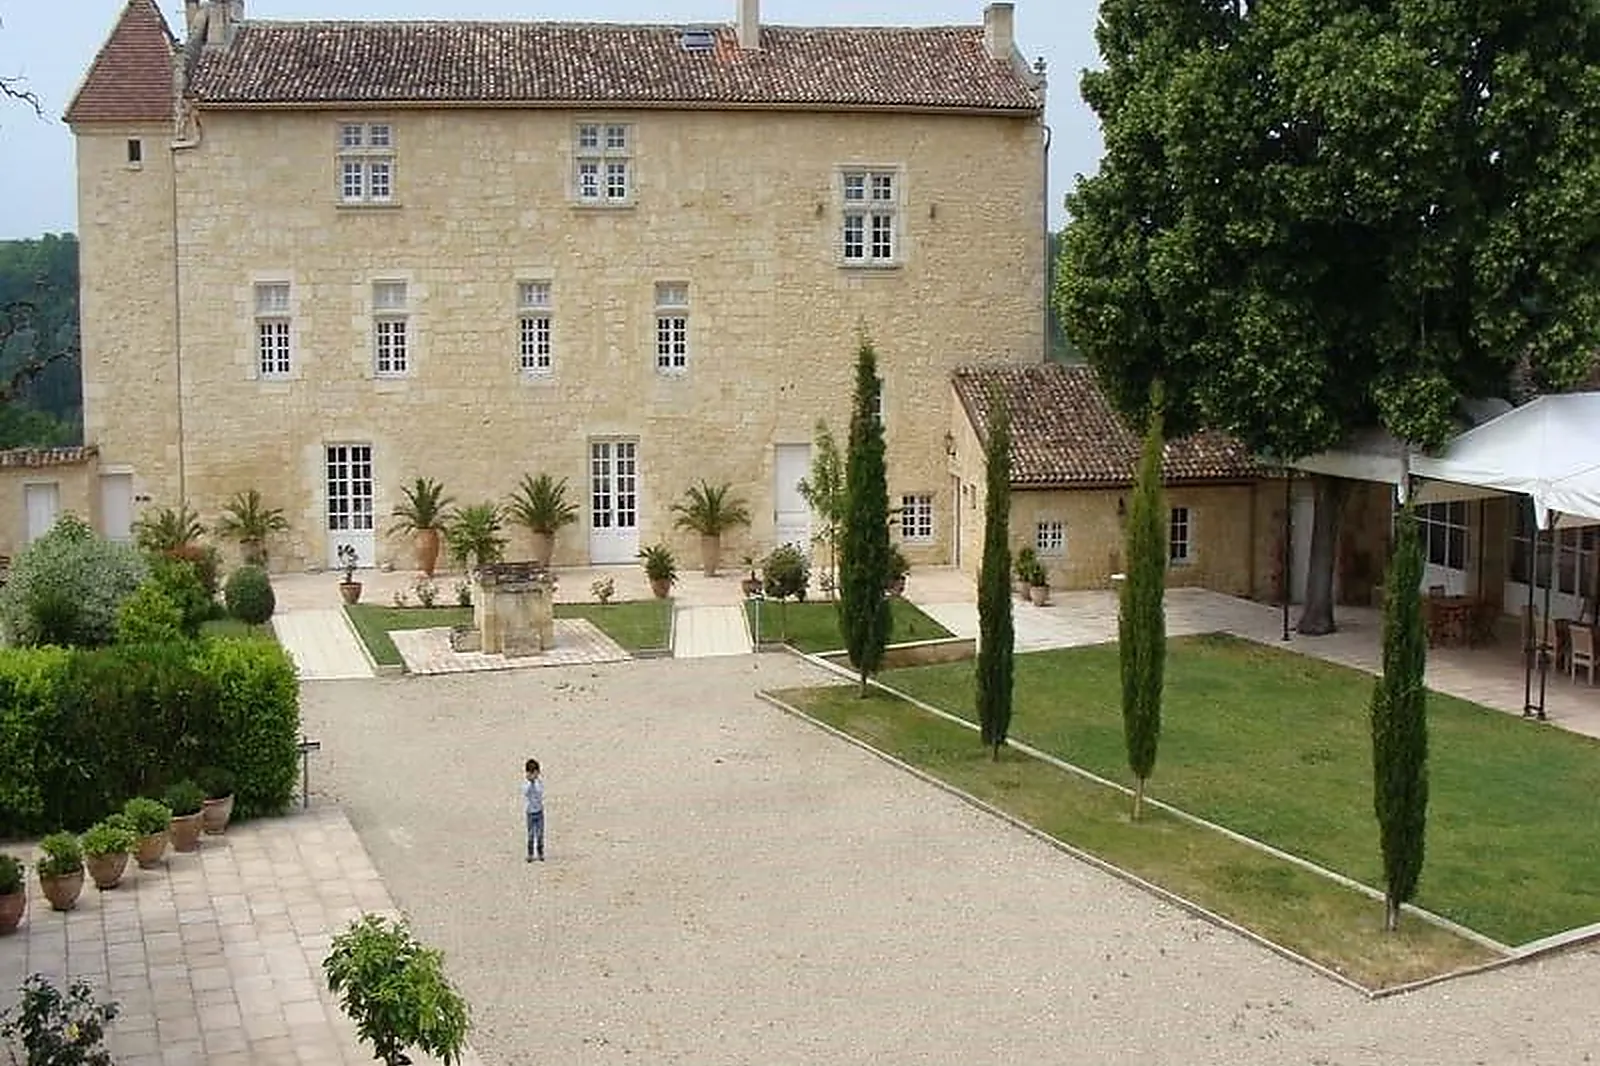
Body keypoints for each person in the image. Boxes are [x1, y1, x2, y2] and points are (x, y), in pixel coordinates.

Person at [521, 758, 545, 862]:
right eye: (533, 773)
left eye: (536, 773)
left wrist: (534, 782)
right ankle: (530, 854)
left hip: (539, 812)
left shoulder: (539, 782)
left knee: (540, 834)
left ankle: (540, 852)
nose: (535, 775)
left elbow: (540, 792)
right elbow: (525, 792)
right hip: (530, 813)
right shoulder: (525, 784)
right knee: (531, 834)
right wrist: (530, 783)